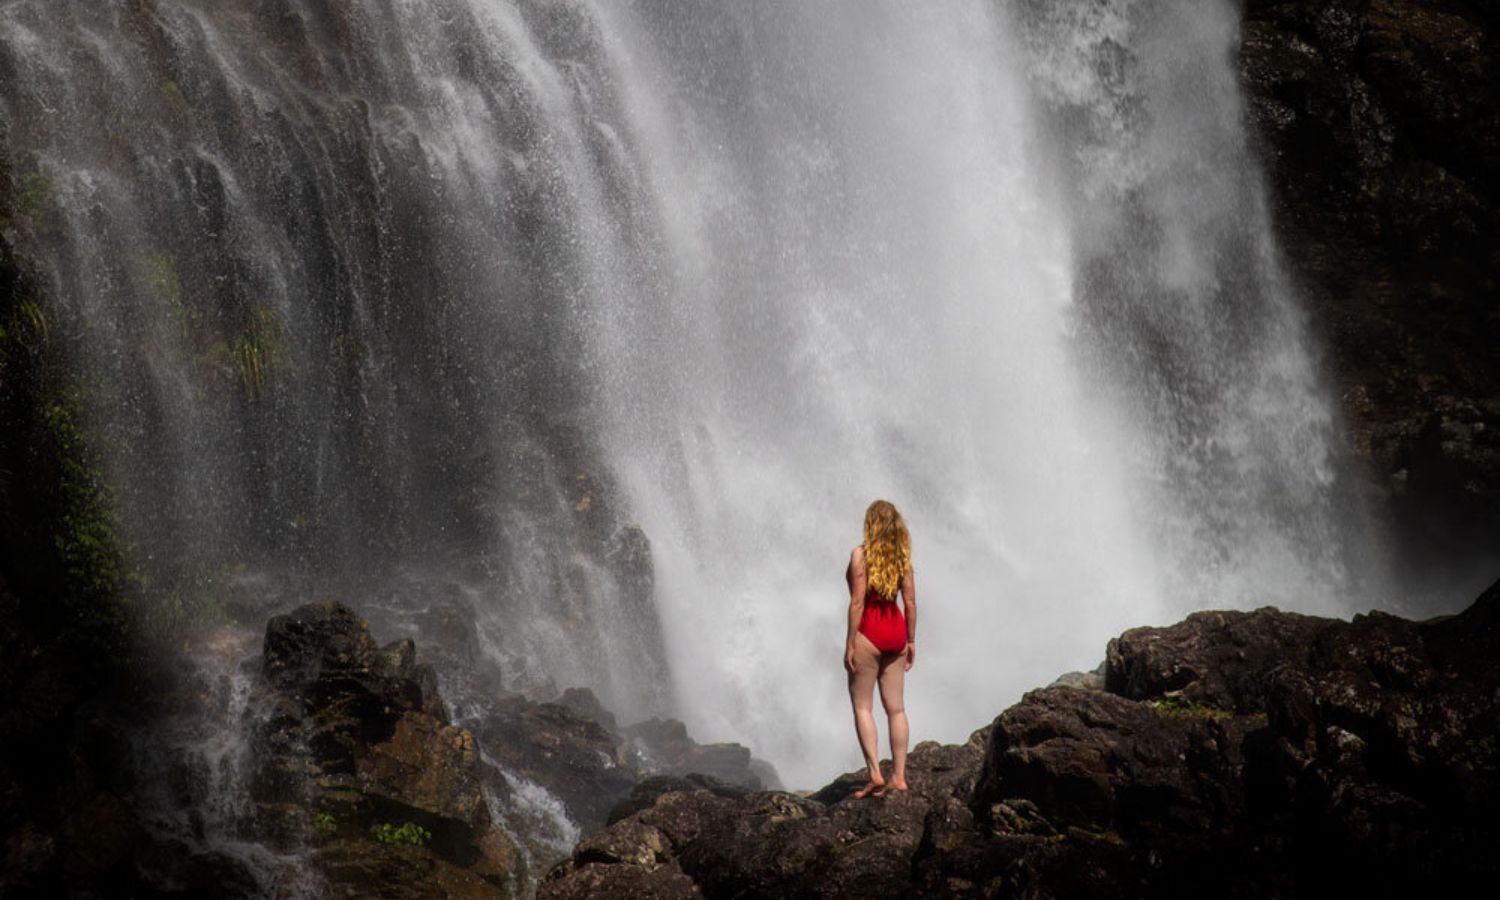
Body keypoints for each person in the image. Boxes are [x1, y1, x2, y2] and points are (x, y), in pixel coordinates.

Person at [843, 499, 917, 798]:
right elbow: (910, 602)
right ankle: (899, 777)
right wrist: (911, 640)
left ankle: (875, 773)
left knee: (863, 706)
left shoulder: (860, 555)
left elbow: (858, 602)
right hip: (896, 632)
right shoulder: (902, 559)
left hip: (869, 634)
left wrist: (850, 641)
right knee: (896, 708)